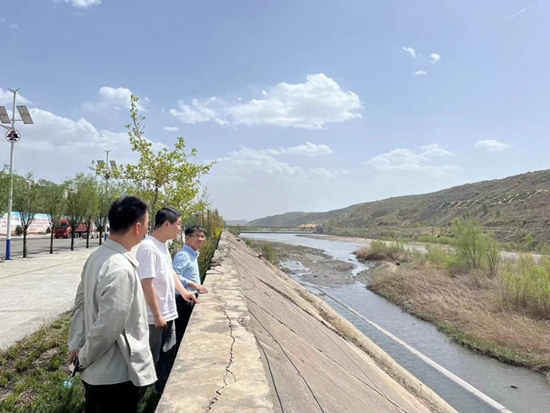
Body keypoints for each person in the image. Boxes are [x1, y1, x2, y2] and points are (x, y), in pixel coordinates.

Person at [67, 195, 156, 413]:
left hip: (96, 371)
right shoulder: (121, 268)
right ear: (137, 228)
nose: (147, 229)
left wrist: (77, 345)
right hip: (115, 375)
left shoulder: (97, 256)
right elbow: (108, 327)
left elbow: (80, 305)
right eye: (147, 224)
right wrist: (82, 358)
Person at [136, 207, 198, 395]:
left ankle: (160, 395)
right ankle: (137, 400)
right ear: (166, 224)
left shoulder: (162, 246)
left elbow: (170, 273)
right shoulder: (148, 247)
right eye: (178, 224)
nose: (180, 229)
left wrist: (184, 292)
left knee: (167, 358)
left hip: (168, 313)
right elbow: (146, 283)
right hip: (155, 318)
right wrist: (156, 315)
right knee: (148, 364)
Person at [173, 225, 209, 350]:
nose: (200, 239)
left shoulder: (192, 254)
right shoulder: (184, 255)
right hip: (182, 299)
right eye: (197, 236)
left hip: (190, 297)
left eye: (202, 236)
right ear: (187, 238)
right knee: (180, 332)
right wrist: (193, 284)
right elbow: (174, 276)